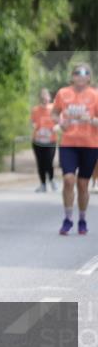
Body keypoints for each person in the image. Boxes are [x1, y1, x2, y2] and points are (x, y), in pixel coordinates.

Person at [50, 63, 98, 235]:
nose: (81, 76)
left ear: (89, 77)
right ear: (72, 76)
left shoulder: (95, 95)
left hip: (90, 145)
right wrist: (60, 122)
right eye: (77, 73)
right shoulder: (63, 93)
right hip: (68, 144)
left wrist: (91, 120)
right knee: (69, 180)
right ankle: (68, 219)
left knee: (83, 185)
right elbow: (54, 113)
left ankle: (82, 219)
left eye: (85, 73)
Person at [30, 88, 58, 193]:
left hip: (50, 140)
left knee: (49, 161)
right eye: (42, 97)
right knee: (40, 163)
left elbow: (59, 122)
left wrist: (56, 127)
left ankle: (51, 179)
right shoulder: (35, 110)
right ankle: (43, 184)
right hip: (38, 140)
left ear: (49, 97)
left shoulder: (53, 109)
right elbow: (33, 122)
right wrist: (35, 127)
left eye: (46, 96)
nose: (44, 99)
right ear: (40, 98)